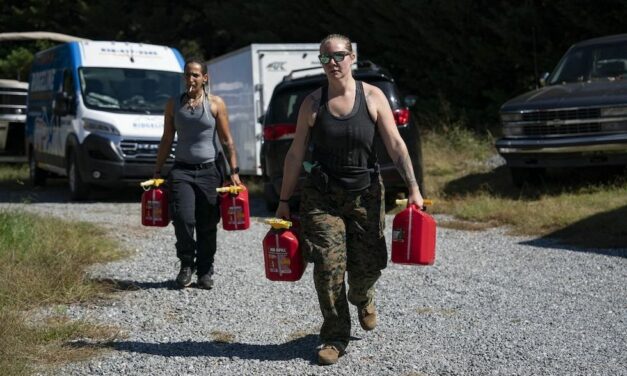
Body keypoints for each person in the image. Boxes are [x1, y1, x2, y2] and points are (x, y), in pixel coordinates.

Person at [275, 34, 424, 365]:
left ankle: (363, 295)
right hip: (322, 196)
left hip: (366, 195)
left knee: (367, 267)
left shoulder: (373, 97)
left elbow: (397, 146)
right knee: (328, 265)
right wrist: (284, 199)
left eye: (338, 56)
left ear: (352, 57)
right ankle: (334, 335)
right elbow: (295, 153)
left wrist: (413, 187)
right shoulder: (312, 103)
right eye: (325, 58)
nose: (332, 63)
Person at [153, 57, 241, 290]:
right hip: (181, 170)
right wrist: (157, 169)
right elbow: (166, 139)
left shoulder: (215, 104)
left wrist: (234, 171)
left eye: (195, 75)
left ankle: (205, 270)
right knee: (183, 219)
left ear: (205, 78)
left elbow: (226, 140)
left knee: (207, 222)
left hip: (209, 172)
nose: (190, 79)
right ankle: (186, 265)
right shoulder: (174, 104)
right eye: (187, 75)